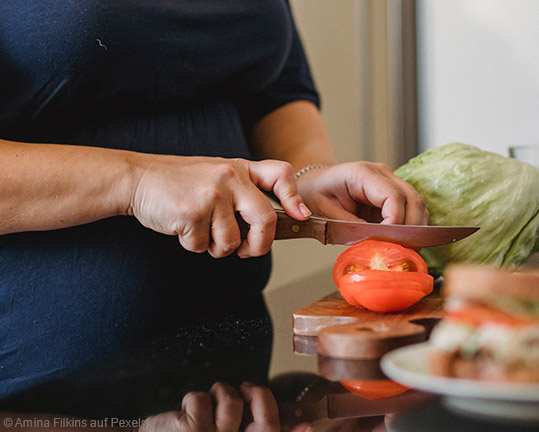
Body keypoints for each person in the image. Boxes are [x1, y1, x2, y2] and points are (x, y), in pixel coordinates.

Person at [0, 0, 426, 430]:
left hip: (237, 371)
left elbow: (275, 89)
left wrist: (307, 178)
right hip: (52, 390)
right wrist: (137, 180)